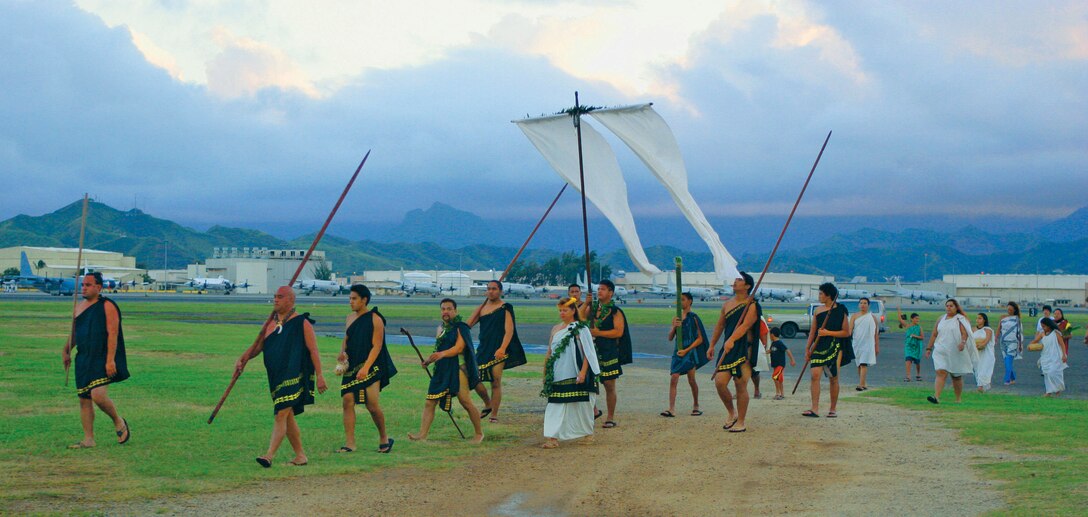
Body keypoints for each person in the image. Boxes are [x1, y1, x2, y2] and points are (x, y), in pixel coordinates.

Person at [235, 286, 328, 467]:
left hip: (294, 374)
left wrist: (320, 375)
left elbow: (313, 350)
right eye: (274, 297)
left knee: (281, 414)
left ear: (290, 300)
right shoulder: (270, 323)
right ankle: (300, 456)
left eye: (280, 297)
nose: (275, 300)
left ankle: (269, 455)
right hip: (276, 376)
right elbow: (257, 347)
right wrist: (243, 359)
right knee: (287, 416)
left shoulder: (302, 322)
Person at [63, 272, 131, 449]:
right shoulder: (79, 307)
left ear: (98, 287)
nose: (84, 288)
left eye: (88, 285)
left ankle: (119, 421)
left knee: (98, 396)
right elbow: (75, 333)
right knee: (84, 399)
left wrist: (110, 361)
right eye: (83, 284)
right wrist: (66, 350)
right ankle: (88, 439)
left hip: (102, 357)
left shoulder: (107, 305)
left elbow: (113, 333)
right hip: (83, 357)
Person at [408, 298, 484, 443]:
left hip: (457, 369)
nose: (445, 312)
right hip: (441, 369)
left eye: (449, 309)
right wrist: (429, 361)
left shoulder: (461, 327)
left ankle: (479, 433)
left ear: (455, 311)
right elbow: (438, 350)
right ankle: (422, 434)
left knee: (465, 401)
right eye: (443, 309)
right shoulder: (441, 329)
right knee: (430, 402)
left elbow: (459, 348)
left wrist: (442, 354)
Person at [337, 284, 397, 453]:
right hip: (352, 366)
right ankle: (350, 444)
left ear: (364, 300)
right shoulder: (349, 318)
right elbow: (346, 339)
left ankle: (384, 438)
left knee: (372, 404)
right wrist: (342, 353)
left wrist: (366, 368)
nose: (351, 302)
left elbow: (377, 346)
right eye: (350, 298)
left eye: (354, 298)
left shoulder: (375, 318)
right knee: (347, 401)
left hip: (371, 366)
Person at [540, 296, 600, 448]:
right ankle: (552, 438)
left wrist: (583, 372)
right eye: (560, 310)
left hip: (575, 371)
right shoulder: (555, 329)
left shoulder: (581, 328)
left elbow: (588, 352)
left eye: (565, 310)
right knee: (554, 404)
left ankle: (588, 433)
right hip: (557, 371)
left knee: (582, 404)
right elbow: (549, 352)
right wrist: (545, 372)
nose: (562, 313)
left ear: (573, 310)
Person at [707, 272, 762, 432]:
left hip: (744, 348)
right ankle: (732, 413)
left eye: (739, 280)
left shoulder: (751, 305)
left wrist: (732, 339)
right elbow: (719, 326)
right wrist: (712, 345)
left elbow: (745, 326)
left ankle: (741, 422)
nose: (735, 282)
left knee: (740, 384)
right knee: (720, 382)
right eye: (735, 279)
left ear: (747, 286)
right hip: (728, 348)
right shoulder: (727, 304)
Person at [467, 280, 527, 424]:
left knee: (495, 381)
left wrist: (502, 348)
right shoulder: (482, 308)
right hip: (483, 348)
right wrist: (478, 309)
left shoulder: (505, 307)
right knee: (474, 379)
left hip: (498, 349)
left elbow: (509, 330)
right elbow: (467, 325)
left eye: (494, 289)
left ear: (500, 291)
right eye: (488, 289)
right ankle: (487, 403)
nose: (491, 291)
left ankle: (494, 414)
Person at [803, 282, 851, 418]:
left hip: (835, 346)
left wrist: (828, 332)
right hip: (818, 346)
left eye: (820, 293)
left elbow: (846, 332)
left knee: (833, 378)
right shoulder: (818, 311)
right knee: (814, 375)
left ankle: (833, 409)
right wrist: (808, 348)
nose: (819, 296)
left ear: (828, 295)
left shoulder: (841, 310)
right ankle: (814, 408)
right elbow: (813, 332)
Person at [589, 279, 632, 429]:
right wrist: (587, 303)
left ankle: (610, 417)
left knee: (609, 385)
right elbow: (580, 318)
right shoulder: (592, 309)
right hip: (593, 351)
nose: (599, 291)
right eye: (598, 289)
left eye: (603, 289)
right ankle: (593, 411)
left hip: (609, 351)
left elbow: (618, 332)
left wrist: (598, 333)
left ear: (610, 293)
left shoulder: (615, 311)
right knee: (588, 383)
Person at [662, 292, 708, 418]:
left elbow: (700, 338)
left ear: (690, 301)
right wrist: (674, 327)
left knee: (691, 379)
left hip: (690, 352)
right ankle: (671, 409)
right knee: (674, 377)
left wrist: (687, 350)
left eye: (683, 300)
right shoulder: (676, 318)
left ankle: (696, 405)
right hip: (678, 351)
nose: (680, 302)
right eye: (679, 300)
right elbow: (670, 338)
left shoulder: (693, 318)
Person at [925, 299, 978, 404]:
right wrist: (929, 348)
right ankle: (936, 397)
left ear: (956, 307)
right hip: (941, 349)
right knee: (941, 372)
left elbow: (965, 333)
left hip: (955, 351)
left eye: (951, 306)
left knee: (956, 376)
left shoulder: (960, 319)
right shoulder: (941, 319)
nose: (948, 308)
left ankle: (958, 399)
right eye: (947, 306)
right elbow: (934, 334)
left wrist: (962, 343)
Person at [1029, 318, 1068, 397]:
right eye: (1042, 326)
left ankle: (1058, 389)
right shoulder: (1042, 334)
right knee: (1046, 373)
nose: (1043, 328)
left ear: (1049, 325)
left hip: (1056, 356)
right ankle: (1049, 391)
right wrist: (1030, 345)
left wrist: (1064, 355)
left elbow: (1062, 344)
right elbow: (1035, 341)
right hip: (1046, 356)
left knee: (1054, 372)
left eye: (1044, 326)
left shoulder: (1056, 333)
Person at [851, 297, 879, 391]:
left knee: (863, 363)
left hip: (868, 343)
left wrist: (876, 346)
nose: (863, 305)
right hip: (857, 343)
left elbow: (875, 333)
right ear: (859, 305)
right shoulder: (854, 316)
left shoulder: (872, 317)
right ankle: (863, 383)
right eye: (861, 303)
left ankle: (861, 385)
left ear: (868, 305)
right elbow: (850, 331)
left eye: (865, 303)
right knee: (859, 364)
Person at [998, 302, 1023, 386]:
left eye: (1010, 309)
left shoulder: (1017, 319)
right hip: (1003, 342)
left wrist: (1020, 344)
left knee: (1008, 360)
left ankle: (1007, 380)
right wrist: (995, 338)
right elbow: (999, 328)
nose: (1009, 311)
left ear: (1014, 310)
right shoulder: (1003, 318)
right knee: (1006, 361)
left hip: (1013, 342)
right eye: (1008, 309)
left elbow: (1019, 333)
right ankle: (1013, 378)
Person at [896, 306, 925, 382]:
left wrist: (915, 336)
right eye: (916, 318)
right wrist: (899, 310)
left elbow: (922, 337)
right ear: (912, 319)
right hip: (909, 346)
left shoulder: (919, 327)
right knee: (908, 360)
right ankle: (908, 376)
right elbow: (900, 319)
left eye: (918, 319)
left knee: (917, 362)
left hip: (917, 346)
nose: (917, 320)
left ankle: (918, 374)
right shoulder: (908, 326)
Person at [769, 327, 796, 400]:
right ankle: (782, 394)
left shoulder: (779, 343)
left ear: (772, 334)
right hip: (775, 364)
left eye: (770, 334)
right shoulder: (773, 343)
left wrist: (792, 360)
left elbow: (787, 350)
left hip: (780, 364)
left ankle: (778, 393)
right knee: (779, 379)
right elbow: (772, 350)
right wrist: (768, 351)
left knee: (775, 377)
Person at [973, 313, 995, 392]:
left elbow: (986, 341)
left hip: (986, 354)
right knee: (977, 371)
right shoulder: (974, 329)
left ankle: (981, 388)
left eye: (980, 318)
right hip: (977, 354)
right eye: (977, 318)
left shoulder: (988, 330)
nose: (977, 320)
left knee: (984, 370)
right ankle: (982, 387)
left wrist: (981, 345)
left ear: (984, 320)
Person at [750, 317, 771, 399]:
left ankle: (757, 390)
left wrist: (763, 347)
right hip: (741, 346)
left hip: (754, 346)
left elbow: (763, 334)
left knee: (754, 371)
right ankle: (739, 391)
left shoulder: (758, 319)